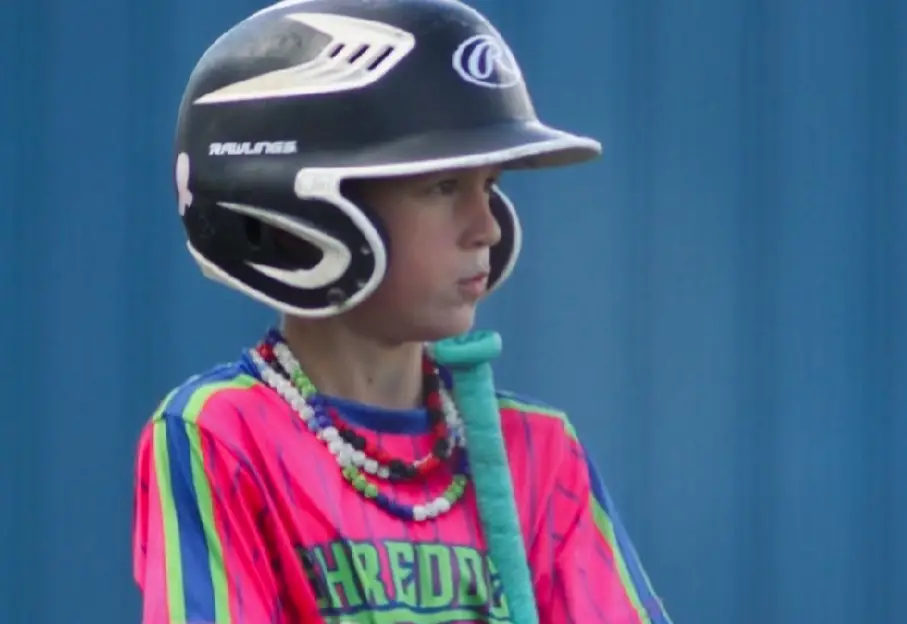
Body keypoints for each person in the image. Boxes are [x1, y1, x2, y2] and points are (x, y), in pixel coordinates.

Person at [131, 0, 673, 622]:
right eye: (442, 187)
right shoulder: (222, 435)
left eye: (490, 186)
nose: (487, 228)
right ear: (302, 210)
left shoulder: (536, 451)